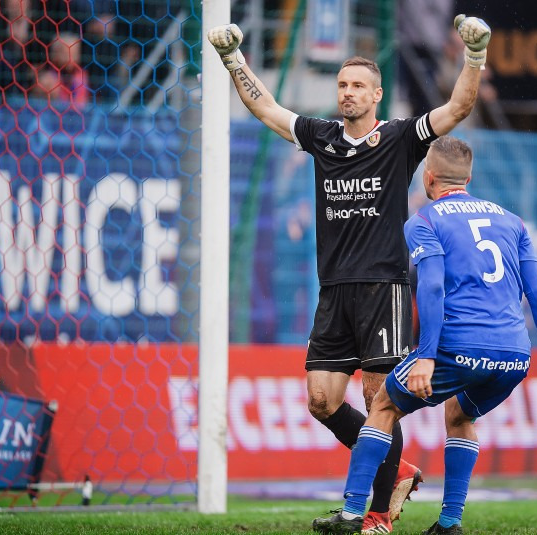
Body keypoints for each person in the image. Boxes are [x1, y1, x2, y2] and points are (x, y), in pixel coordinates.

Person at [207, 13, 491, 534]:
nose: (348, 93)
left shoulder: (400, 138)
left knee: (380, 402)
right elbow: (265, 108)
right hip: (334, 290)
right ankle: (396, 471)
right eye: (342, 85)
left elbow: (458, 107)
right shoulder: (321, 137)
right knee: (321, 401)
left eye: (358, 85)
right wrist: (233, 60)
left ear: (377, 95)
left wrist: (474, 56)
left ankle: (377, 514)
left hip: (384, 289)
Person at [312, 137, 537, 535]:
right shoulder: (513, 221)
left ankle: (352, 514)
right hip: (514, 355)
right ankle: (450, 523)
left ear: (428, 177)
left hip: (458, 346)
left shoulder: (425, 221)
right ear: (468, 179)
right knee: (460, 414)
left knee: (383, 406)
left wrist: (426, 356)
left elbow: (432, 286)